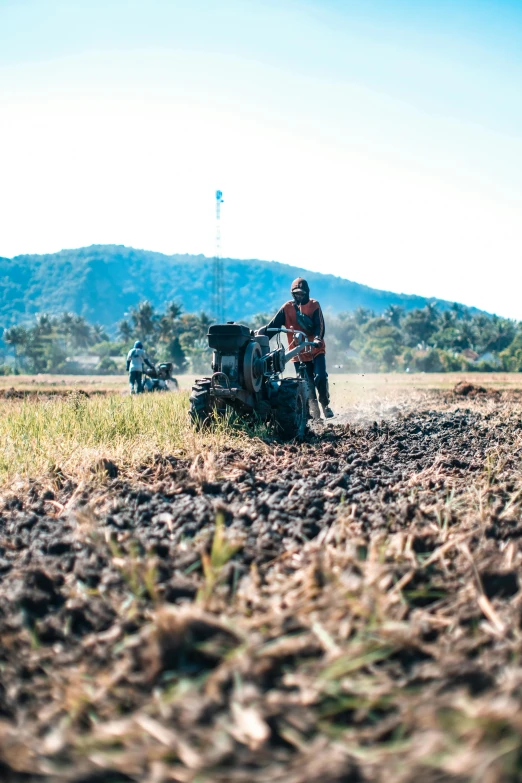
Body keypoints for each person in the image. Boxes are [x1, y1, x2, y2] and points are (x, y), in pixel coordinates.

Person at [258, 278, 334, 419]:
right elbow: (273, 326)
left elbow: (320, 326)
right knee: (307, 385)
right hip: (298, 353)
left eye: (301, 293)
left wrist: (317, 338)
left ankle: (325, 404)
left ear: (307, 293)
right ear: (292, 294)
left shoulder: (314, 305)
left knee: (320, 377)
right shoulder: (287, 308)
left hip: (316, 350)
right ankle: (315, 414)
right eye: (296, 293)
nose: (299, 296)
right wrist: (260, 336)